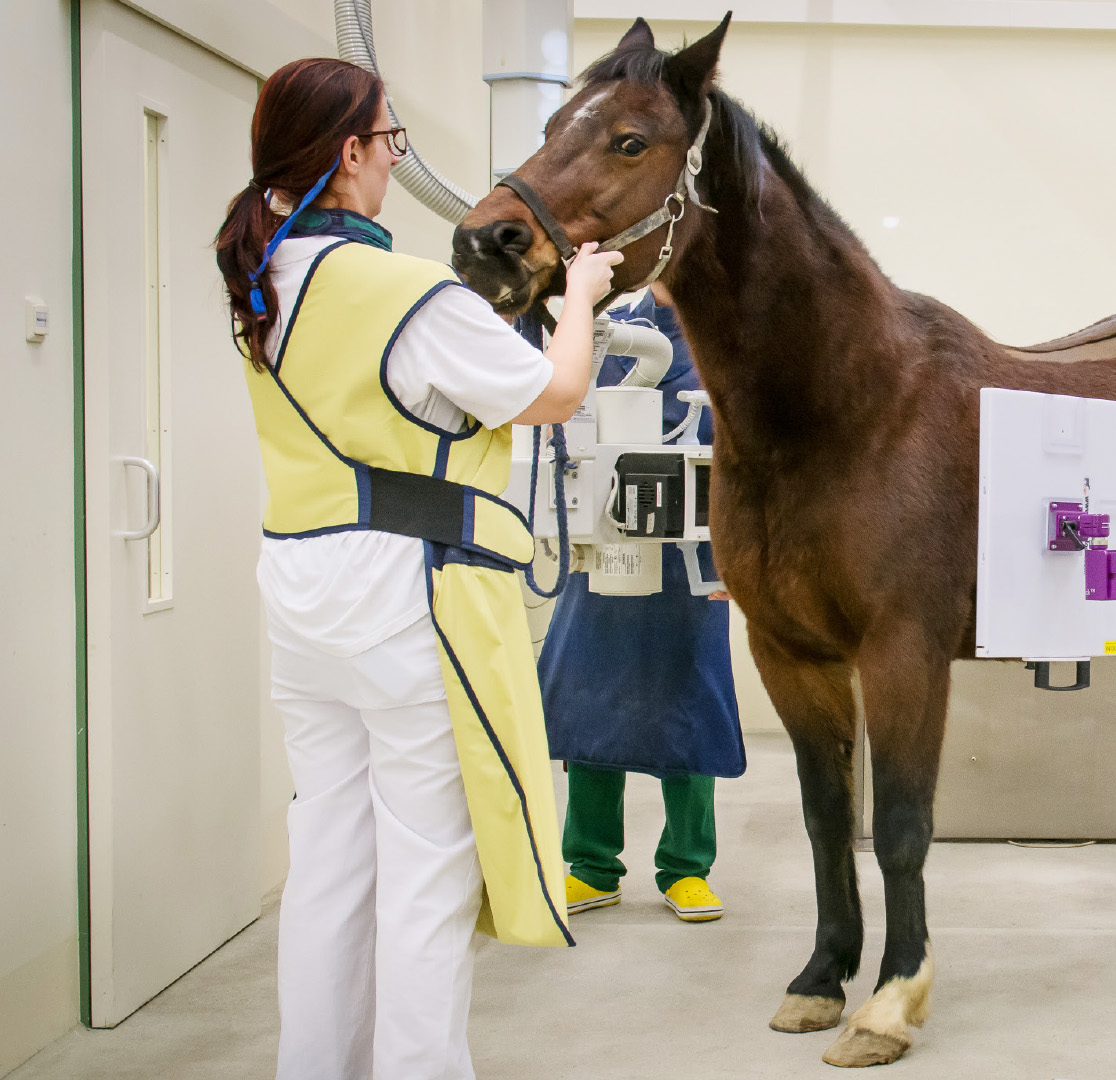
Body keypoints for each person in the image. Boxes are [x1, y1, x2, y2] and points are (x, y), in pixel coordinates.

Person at [214, 58, 622, 1080]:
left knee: (330, 865)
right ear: (348, 155)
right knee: (427, 875)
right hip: (406, 596)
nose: (394, 165)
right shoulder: (405, 292)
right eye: (389, 143)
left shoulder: (261, 278)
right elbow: (556, 394)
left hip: (300, 593)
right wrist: (579, 294)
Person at [537, 284, 747, 923]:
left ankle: (687, 867)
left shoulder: (732, 331)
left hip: (695, 549)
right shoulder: (610, 326)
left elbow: (759, 454)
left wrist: (746, 552)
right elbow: (561, 416)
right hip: (602, 539)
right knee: (592, 699)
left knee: (691, 702)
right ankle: (591, 864)